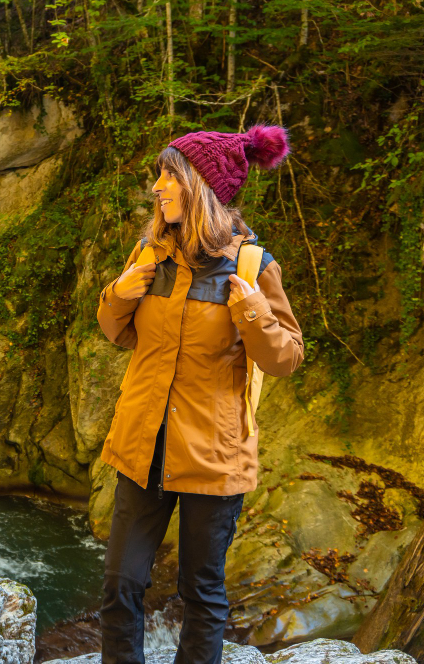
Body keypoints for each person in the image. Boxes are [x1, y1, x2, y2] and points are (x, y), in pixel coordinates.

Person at [96, 125, 305, 664]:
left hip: (213, 456)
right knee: (121, 586)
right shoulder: (149, 253)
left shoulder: (254, 266)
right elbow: (118, 333)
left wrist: (252, 310)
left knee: (201, 596)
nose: (158, 187)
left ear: (201, 187)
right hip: (142, 447)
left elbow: (285, 359)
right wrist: (117, 294)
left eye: (169, 176)